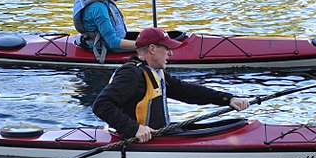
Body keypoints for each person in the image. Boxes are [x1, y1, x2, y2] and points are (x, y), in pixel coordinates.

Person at [92, 27, 250, 143]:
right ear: (152, 49)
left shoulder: (154, 72)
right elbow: (101, 105)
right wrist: (134, 129)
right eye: (167, 48)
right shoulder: (131, 74)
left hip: (160, 134)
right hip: (136, 141)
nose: (171, 53)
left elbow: (187, 91)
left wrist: (227, 99)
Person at [73, 0, 157, 60]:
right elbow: (113, 42)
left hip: (112, 40)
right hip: (107, 48)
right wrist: (145, 45)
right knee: (152, 43)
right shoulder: (98, 8)